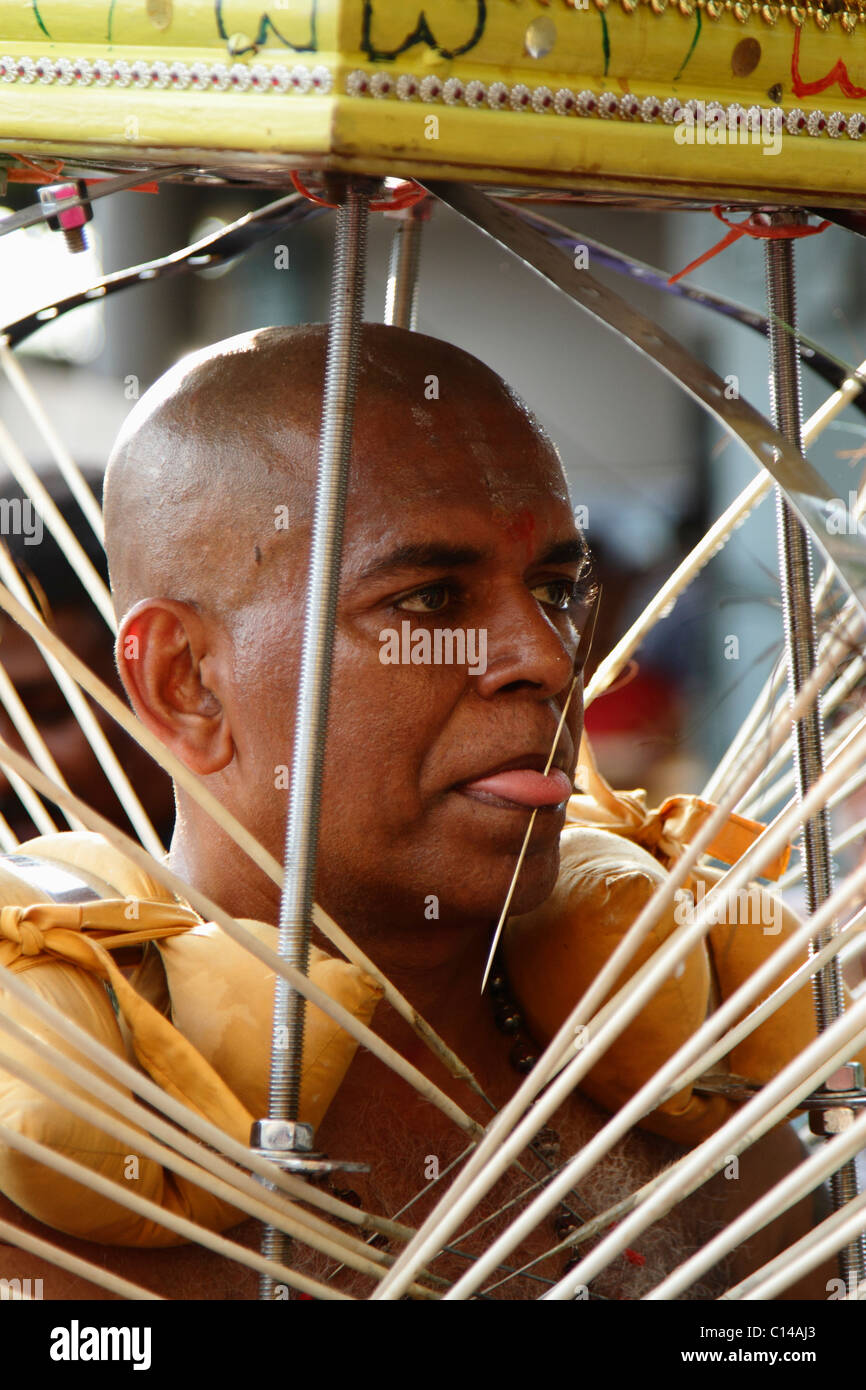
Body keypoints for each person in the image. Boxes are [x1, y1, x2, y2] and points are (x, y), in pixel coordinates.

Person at [0, 324, 823, 1299]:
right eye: (431, 600)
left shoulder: (676, 1057)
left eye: (557, 589)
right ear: (187, 683)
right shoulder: (69, 1130)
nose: (550, 659)